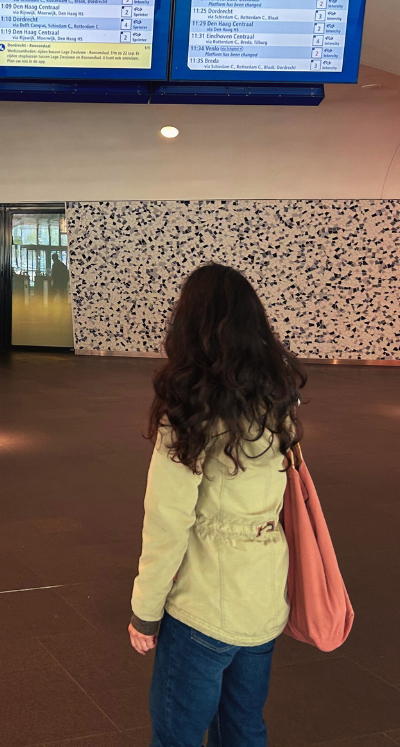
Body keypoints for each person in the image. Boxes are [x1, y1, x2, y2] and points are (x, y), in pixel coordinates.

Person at [129, 263, 306, 747]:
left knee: (177, 735)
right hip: (264, 597)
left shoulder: (187, 408)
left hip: (201, 605)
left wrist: (145, 610)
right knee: (244, 727)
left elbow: (168, 520)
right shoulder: (277, 402)